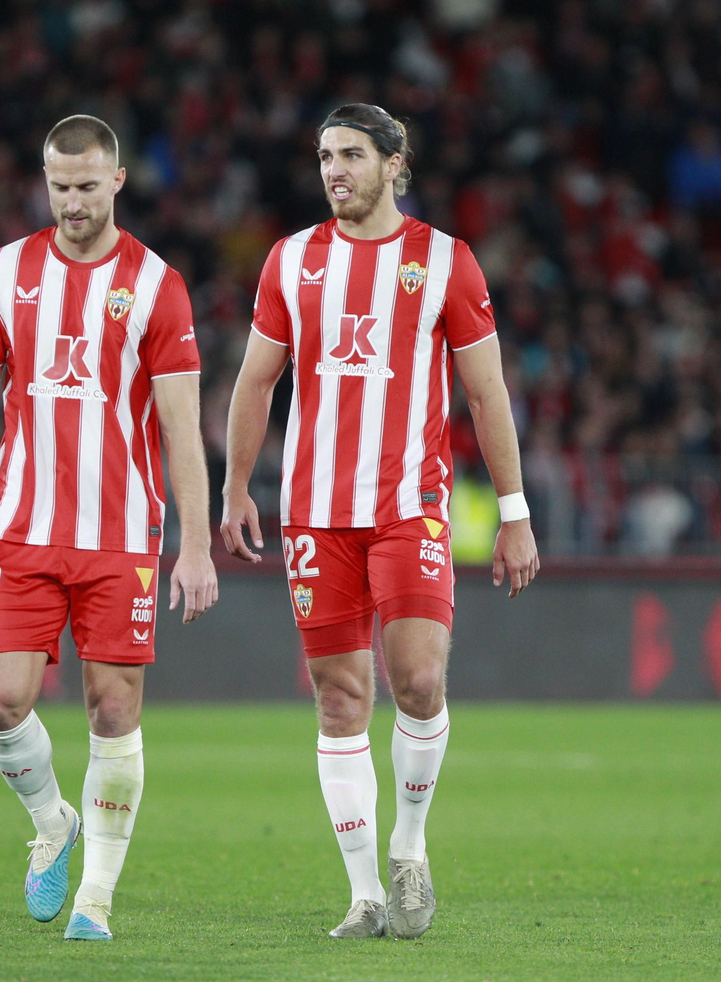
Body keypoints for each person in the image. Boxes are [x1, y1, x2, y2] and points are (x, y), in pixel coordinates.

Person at [220, 103, 539, 939]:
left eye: (352, 155)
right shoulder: (291, 262)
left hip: (409, 507)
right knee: (339, 700)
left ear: (395, 163)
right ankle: (364, 895)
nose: (335, 171)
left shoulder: (445, 261)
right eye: (325, 156)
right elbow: (256, 383)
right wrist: (235, 488)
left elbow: (486, 391)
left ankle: (408, 849)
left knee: (420, 681)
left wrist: (515, 513)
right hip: (316, 517)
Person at [0, 115, 218, 942]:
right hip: (21, 526)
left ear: (118, 181)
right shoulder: (5, 272)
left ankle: (95, 898)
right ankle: (52, 822)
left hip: (121, 535)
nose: (73, 201)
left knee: (111, 711)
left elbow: (178, 425)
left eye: (88, 186)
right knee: (0, 698)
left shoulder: (158, 285)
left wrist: (193, 545)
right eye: (60, 187)